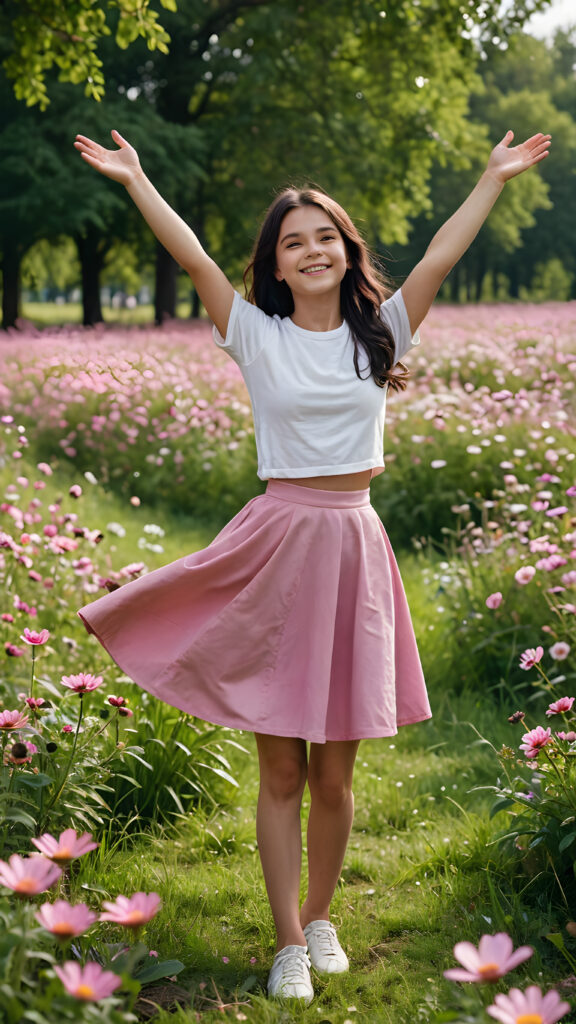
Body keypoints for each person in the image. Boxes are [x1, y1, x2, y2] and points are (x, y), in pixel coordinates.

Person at [73, 127, 550, 1005]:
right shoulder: (254, 334)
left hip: (355, 548)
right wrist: (138, 179)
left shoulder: (384, 332)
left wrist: (490, 178)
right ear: (278, 267)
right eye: (293, 242)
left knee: (336, 770)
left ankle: (323, 919)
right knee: (283, 768)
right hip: (278, 547)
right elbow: (188, 252)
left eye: (324, 234)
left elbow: (443, 254)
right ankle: (288, 940)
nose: (312, 249)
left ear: (345, 249)